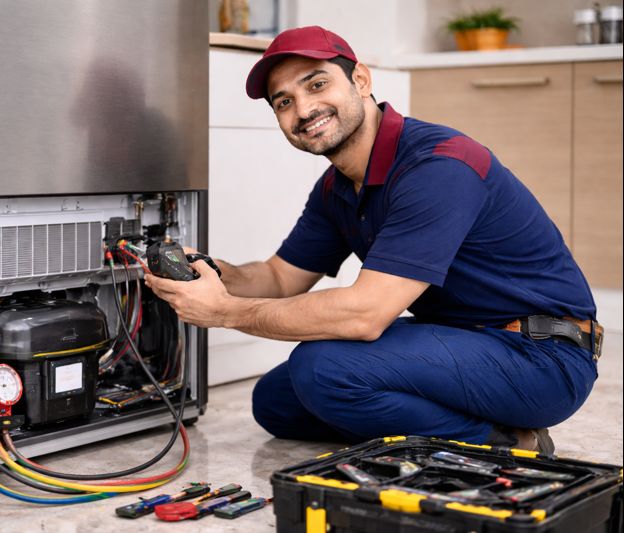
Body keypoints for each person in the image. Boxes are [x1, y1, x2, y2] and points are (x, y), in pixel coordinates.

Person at [144, 26, 603, 453]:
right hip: (463, 340)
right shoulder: (337, 187)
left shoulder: (438, 166)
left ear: (360, 80)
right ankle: (440, 419)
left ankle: (503, 440)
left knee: (322, 370)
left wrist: (225, 312)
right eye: (283, 102)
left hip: (543, 358)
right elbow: (281, 277)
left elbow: (365, 315)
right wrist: (210, 270)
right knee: (276, 401)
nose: (303, 110)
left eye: (317, 84)